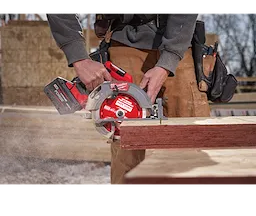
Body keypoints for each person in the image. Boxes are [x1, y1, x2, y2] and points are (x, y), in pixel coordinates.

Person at [46, 11, 211, 187]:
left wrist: (167, 61)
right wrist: (79, 58)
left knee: (190, 146)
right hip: (125, 41)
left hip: (180, 45)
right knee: (127, 157)